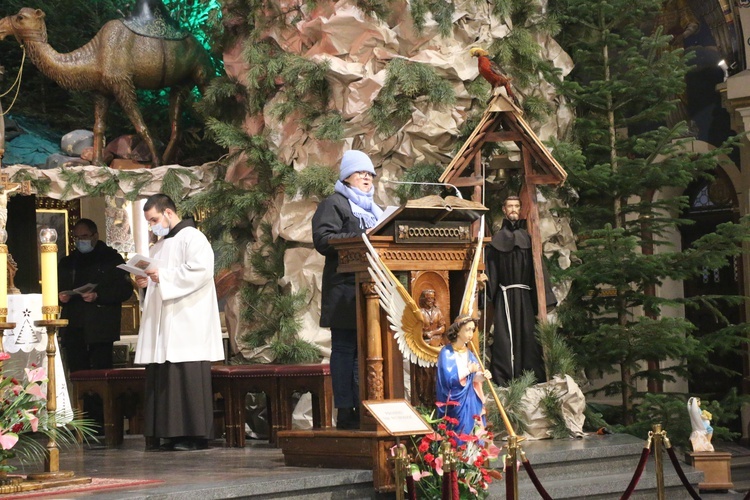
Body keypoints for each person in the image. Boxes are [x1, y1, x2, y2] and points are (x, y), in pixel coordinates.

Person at [134, 193, 224, 451]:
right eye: (149, 222)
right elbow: (159, 280)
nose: (153, 226)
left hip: (188, 319)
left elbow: (201, 272)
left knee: (186, 376)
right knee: (164, 376)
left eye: (154, 220)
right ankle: (168, 433)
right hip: (164, 324)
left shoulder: (193, 238)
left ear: (169, 213)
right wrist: (146, 282)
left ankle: (193, 435)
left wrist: (161, 276)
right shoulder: (159, 246)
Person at [312, 150, 383, 430]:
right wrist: (360, 237)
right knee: (346, 349)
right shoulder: (334, 203)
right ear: (346, 177)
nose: (367, 177)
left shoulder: (372, 208)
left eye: (370, 173)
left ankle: (368, 404)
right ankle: (346, 409)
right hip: (344, 292)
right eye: (360, 172)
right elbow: (323, 239)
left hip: (370, 289)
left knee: (367, 350)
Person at [485, 196, 556, 386]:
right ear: (504, 209)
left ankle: (530, 376)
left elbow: (539, 271)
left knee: (528, 335)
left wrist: (544, 298)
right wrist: (484, 296)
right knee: (503, 337)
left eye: (517, 206)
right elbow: (491, 272)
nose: (514, 209)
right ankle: (504, 378)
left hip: (525, 296)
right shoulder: (496, 242)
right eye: (510, 206)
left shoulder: (529, 240)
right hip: (505, 296)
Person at [58, 218, 133, 372]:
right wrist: (61, 297)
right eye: (77, 238)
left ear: (95, 235)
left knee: (100, 375)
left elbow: (125, 290)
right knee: (77, 375)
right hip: (74, 328)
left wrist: (98, 295)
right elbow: (58, 288)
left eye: (84, 236)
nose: (80, 241)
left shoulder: (112, 259)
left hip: (101, 329)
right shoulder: (68, 262)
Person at [436, 315, 491, 439]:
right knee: (458, 432)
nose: (471, 333)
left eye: (472, 330)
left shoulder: (469, 353)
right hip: (455, 401)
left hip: (470, 398)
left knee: (473, 429)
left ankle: (473, 457)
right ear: (457, 330)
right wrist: (468, 370)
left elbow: (473, 378)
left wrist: (483, 376)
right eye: (467, 330)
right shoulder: (447, 353)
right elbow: (449, 378)